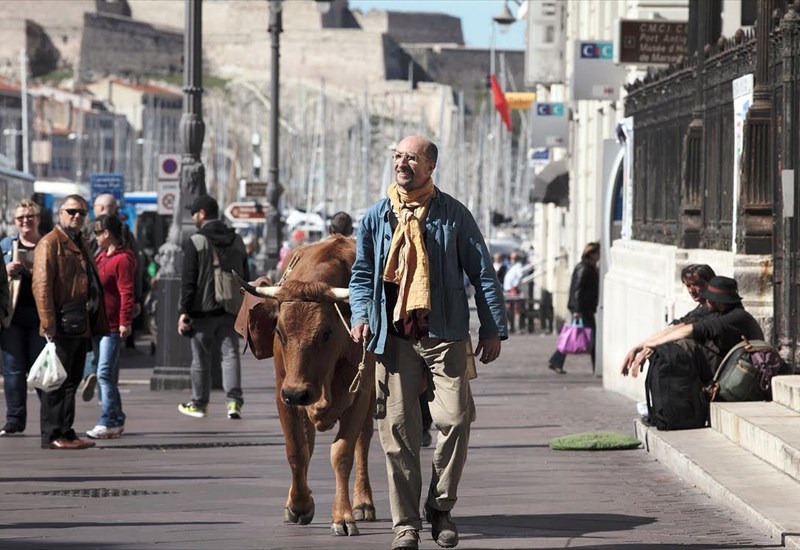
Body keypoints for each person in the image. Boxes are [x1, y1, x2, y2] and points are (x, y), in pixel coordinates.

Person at [349, 135, 507, 550]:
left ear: (430, 167)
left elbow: (483, 274)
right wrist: (362, 316)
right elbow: (362, 275)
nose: (402, 164)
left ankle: (440, 507)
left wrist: (492, 328)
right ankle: (406, 525)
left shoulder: (454, 215)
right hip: (395, 339)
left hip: (446, 335)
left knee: (455, 419)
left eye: (411, 158)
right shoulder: (377, 216)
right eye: (398, 156)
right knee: (397, 433)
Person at [32, 194, 107, 450]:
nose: (77, 216)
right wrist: (48, 325)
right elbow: (41, 286)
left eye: (82, 213)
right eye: (72, 211)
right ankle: (53, 433)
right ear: (60, 213)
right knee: (57, 380)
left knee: (72, 379)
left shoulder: (80, 241)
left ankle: (66, 430)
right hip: (61, 322)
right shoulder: (50, 243)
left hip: (79, 320)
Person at [177, 194, 249, 420]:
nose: (192, 217)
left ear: (202, 214)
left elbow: (188, 280)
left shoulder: (196, 241)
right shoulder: (236, 240)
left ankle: (199, 404)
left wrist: (184, 312)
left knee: (200, 358)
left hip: (202, 309)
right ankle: (233, 403)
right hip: (230, 308)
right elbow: (246, 276)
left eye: (194, 213)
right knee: (230, 355)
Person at [622, 275, 764, 382]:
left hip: (742, 375)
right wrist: (640, 346)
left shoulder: (737, 317)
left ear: (718, 301)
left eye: (709, 298)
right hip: (727, 368)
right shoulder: (716, 311)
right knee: (674, 344)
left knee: (684, 346)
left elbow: (690, 330)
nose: (705, 300)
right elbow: (680, 327)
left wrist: (653, 345)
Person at [85, 215, 135, 439]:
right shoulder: (102, 257)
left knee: (103, 374)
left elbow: (126, 292)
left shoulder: (122, 259)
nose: (94, 237)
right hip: (100, 323)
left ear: (106, 233)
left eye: (97, 233)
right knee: (108, 376)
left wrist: (125, 322)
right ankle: (116, 418)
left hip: (113, 325)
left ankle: (107, 420)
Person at [0, 201, 34, 436]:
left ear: (38, 218)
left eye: (29, 216)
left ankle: (50, 419)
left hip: (41, 316)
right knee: (12, 370)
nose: (25, 221)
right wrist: (6, 269)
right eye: (20, 218)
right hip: (11, 315)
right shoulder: (6, 245)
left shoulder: (47, 244)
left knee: (42, 370)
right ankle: (14, 419)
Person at [548, 242, 600, 375]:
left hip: (585, 307)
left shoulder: (589, 267)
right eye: (597, 253)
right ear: (591, 254)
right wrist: (577, 309)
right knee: (589, 336)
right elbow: (577, 289)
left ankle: (556, 360)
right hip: (582, 308)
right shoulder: (584, 268)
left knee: (576, 335)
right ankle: (597, 367)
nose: (599, 256)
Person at [503, 252, 524, 334]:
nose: (512, 260)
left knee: (516, 309)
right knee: (509, 308)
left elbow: (519, 276)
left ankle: (516, 327)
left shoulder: (518, 266)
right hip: (509, 289)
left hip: (514, 289)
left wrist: (514, 286)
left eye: (514, 258)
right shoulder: (511, 266)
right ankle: (511, 326)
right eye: (511, 258)